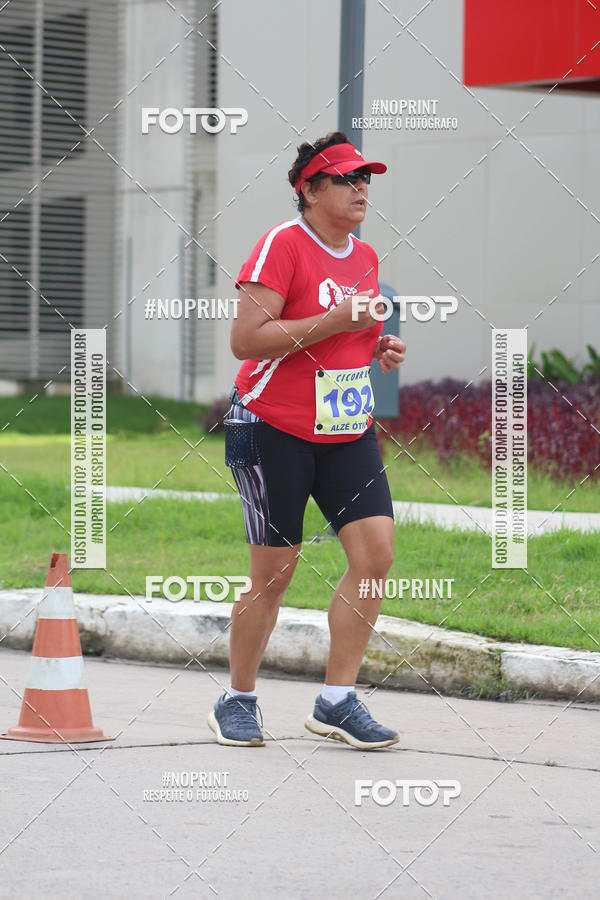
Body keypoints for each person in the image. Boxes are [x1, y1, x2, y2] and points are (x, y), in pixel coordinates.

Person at [207, 131, 406, 750]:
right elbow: (248, 340)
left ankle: (338, 701)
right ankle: (236, 699)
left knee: (375, 559)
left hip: (344, 428)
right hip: (271, 427)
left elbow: (343, 337)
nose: (360, 190)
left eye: (365, 179)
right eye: (346, 180)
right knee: (274, 573)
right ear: (310, 190)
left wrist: (378, 348)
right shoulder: (281, 245)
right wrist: (339, 321)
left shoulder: (366, 256)